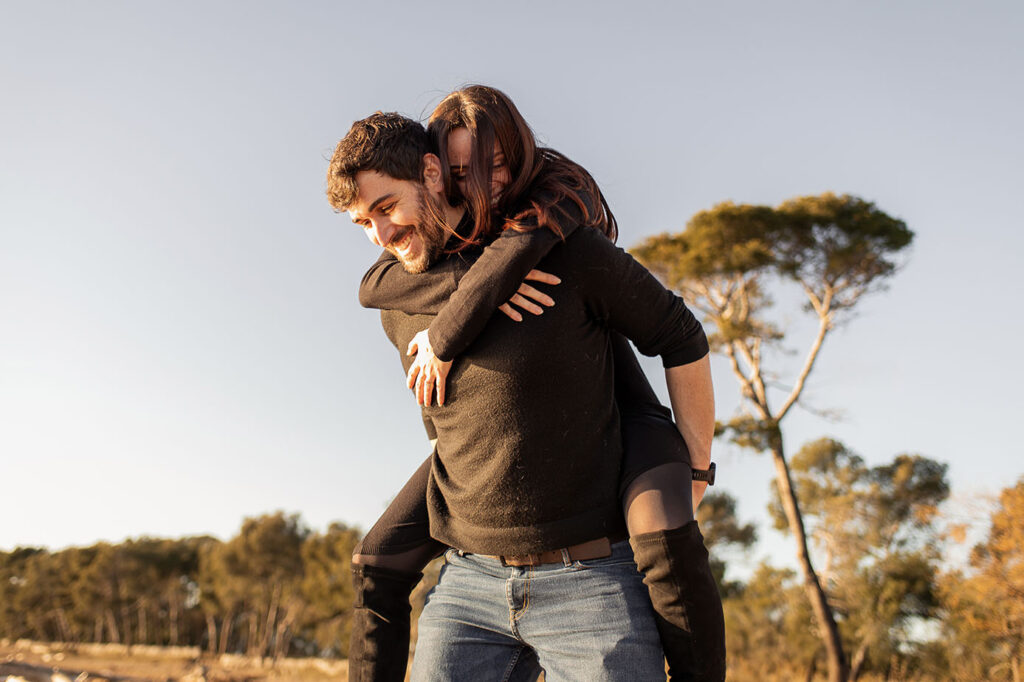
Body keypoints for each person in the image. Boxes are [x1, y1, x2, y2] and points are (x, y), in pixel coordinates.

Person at [327, 94, 723, 681]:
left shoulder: (560, 250)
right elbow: (445, 422)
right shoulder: (399, 297)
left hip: (591, 582)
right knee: (375, 562)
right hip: (466, 588)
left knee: (669, 544)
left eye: (387, 206)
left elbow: (679, 333)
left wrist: (696, 466)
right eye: (364, 221)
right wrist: (475, 290)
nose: (381, 233)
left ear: (429, 175)